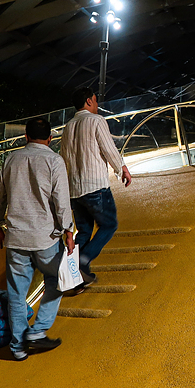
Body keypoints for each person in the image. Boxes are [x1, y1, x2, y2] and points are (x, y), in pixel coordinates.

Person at [0, 117, 75, 361]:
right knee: (56, 282)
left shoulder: (11, 160)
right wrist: (68, 230)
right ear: (50, 139)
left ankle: (17, 348)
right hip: (45, 238)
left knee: (16, 294)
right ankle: (37, 331)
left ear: (25, 137)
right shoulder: (54, 160)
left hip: (16, 239)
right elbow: (61, 201)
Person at [60, 87, 132, 289]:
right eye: (96, 100)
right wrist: (122, 169)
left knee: (83, 232)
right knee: (109, 225)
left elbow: (64, 159)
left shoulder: (68, 126)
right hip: (95, 187)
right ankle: (83, 262)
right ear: (89, 101)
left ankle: (74, 279)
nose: (97, 104)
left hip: (74, 190)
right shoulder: (96, 120)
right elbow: (108, 147)